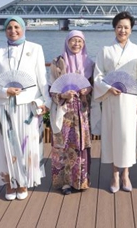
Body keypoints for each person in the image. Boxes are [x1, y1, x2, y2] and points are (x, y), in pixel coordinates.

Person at [0, 16, 50, 201]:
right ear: (5, 30)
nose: (13, 31)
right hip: (4, 105)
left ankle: (22, 183)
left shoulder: (35, 49)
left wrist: (44, 101)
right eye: (9, 28)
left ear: (23, 28)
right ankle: (8, 182)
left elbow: (42, 78)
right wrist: (5, 90)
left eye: (16, 27)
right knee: (5, 144)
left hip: (28, 105)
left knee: (26, 144)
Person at [93, 11, 137, 193]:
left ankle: (126, 174)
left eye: (126, 27)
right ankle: (114, 174)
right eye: (119, 27)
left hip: (129, 99)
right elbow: (97, 75)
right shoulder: (105, 50)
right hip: (111, 98)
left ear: (131, 30)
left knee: (127, 136)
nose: (122, 30)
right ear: (114, 28)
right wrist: (107, 87)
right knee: (112, 135)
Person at [48, 30, 94, 194]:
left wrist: (88, 90)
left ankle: (80, 181)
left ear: (84, 44)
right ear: (67, 42)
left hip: (81, 111)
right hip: (64, 110)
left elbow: (93, 87)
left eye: (80, 41)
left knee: (80, 145)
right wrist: (62, 95)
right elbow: (50, 89)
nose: (76, 44)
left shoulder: (89, 63)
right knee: (63, 145)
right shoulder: (57, 63)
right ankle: (65, 183)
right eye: (73, 41)